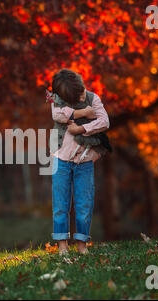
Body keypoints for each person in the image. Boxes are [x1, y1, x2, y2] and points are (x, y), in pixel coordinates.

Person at [48, 69, 110, 255]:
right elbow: (58, 115)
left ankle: (82, 244)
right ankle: (62, 245)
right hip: (61, 159)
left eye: (82, 91)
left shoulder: (93, 98)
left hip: (84, 160)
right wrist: (83, 112)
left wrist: (82, 128)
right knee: (61, 204)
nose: (83, 95)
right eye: (79, 95)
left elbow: (104, 121)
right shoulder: (57, 101)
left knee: (84, 203)